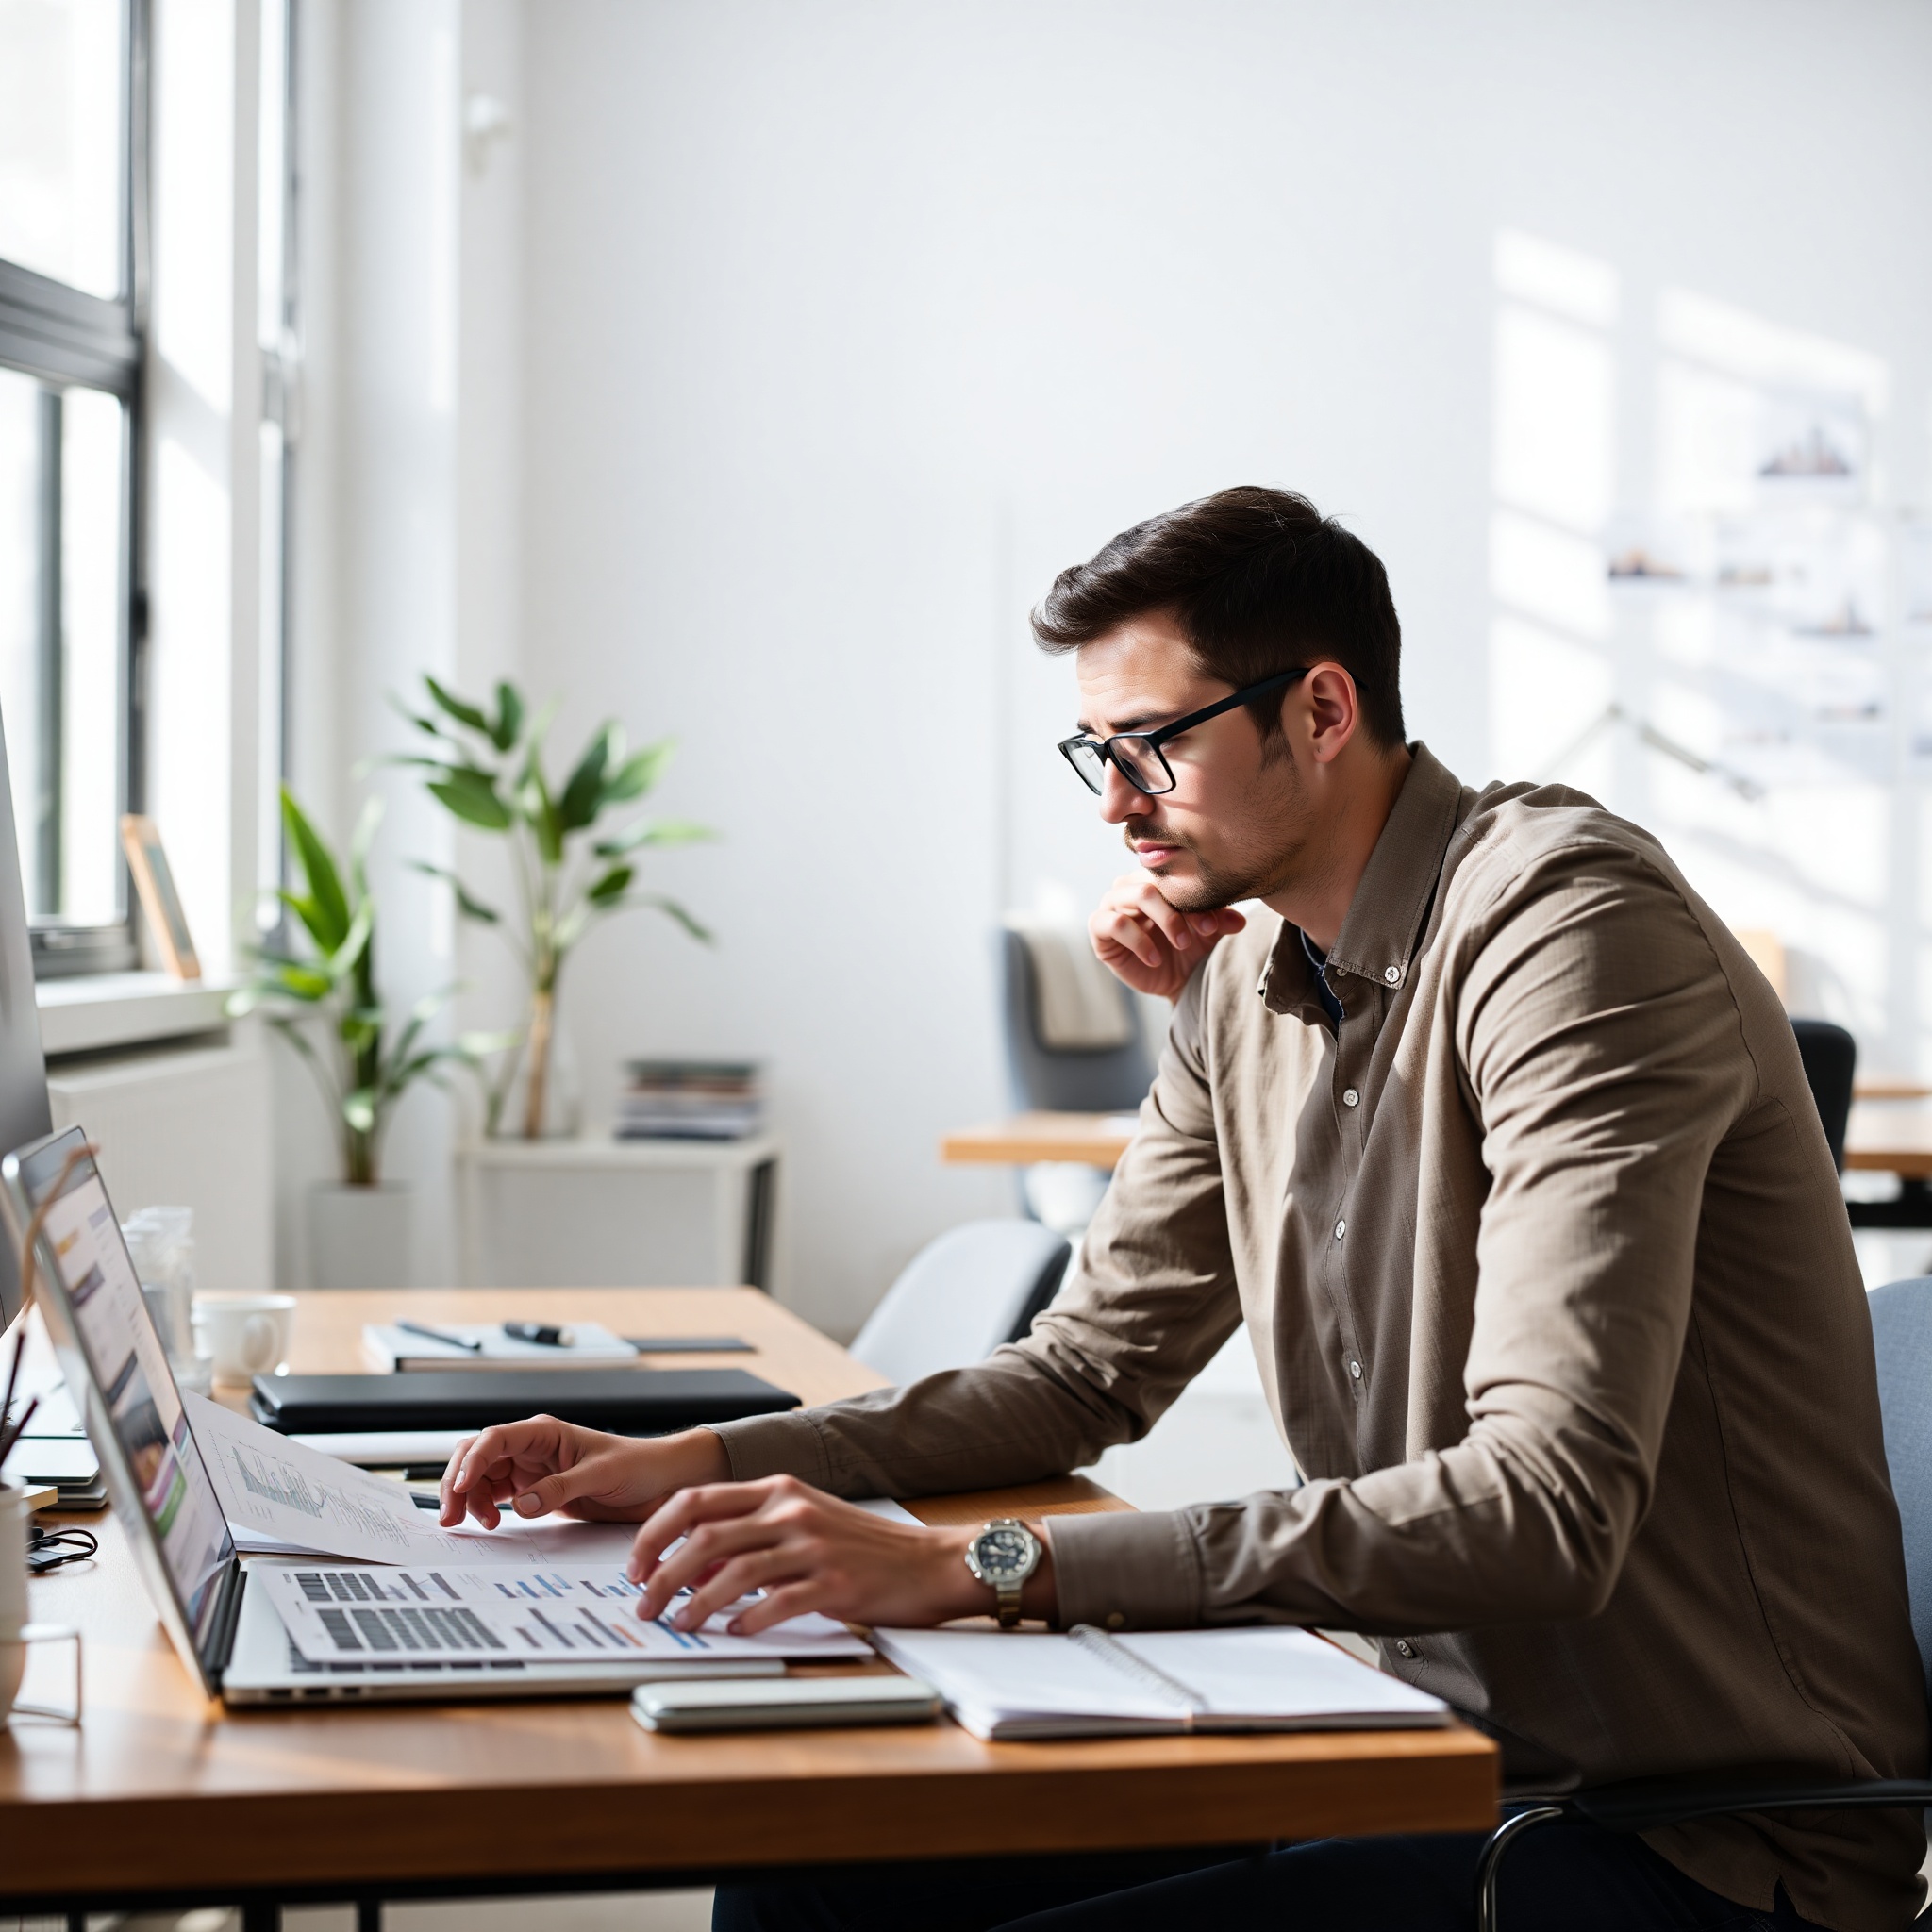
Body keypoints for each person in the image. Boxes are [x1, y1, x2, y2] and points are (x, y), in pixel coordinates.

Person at [441, 488, 1927, 1932]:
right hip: (1401, 1748)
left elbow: (1546, 1506)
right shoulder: (1243, 979)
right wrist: (692, 1462)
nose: (1119, 803)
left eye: (1153, 745)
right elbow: (1085, 1371)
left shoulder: (1573, 932)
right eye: (1098, 752)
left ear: (1324, 713)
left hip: (1689, 1850)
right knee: (809, 1874)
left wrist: (983, 1568)